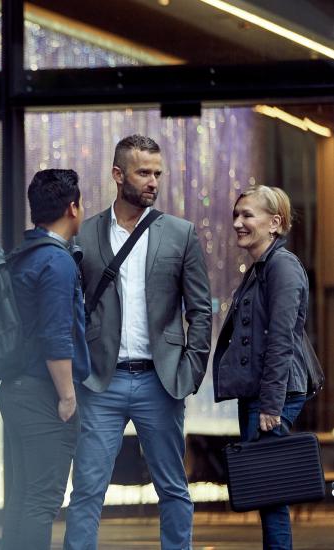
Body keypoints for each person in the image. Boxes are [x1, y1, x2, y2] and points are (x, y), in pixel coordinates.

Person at [63, 135, 213, 550]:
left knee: (173, 488)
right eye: (143, 172)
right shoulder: (86, 233)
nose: (152, 181)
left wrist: (191, 370)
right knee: (88, 489)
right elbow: (71, 307)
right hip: (100, 384)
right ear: (117, 175)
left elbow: (201, 309)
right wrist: (78, 368)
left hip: (160, 383)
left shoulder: (180, 234)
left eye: (157, 174)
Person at [0, 168, 90, 549]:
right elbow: (56, 336)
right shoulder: (57, 262)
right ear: (73, 208)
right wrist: (67, 395)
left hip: (16, 389)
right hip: (42, 395)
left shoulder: (24, 255)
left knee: (22, 497)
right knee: (42, 501)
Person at [213, 185, 308, 550]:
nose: (238, 222)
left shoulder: (282, 266)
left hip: (272, 396)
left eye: (247, 215)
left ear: (275, 223)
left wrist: (271, 404)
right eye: (236, 215)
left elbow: (281, 338)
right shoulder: (261, 266)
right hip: (259, 393)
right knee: (267, 492)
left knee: (271, 495)